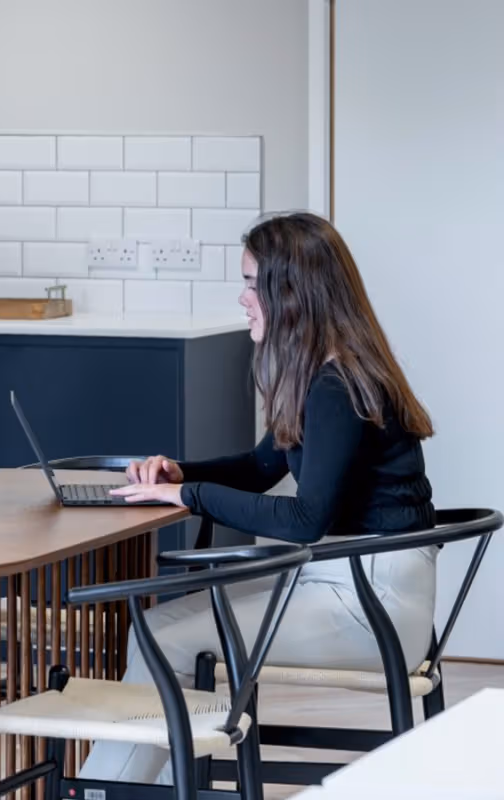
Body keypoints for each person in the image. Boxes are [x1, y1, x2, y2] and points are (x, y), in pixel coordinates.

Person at [79, 211, 437, 784]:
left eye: (252, 283)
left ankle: (105, 792)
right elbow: (260, 467)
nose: (243, 298)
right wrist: (177, 473)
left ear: (291, 293)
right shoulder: (328, 372)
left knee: (159, 638)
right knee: (158, 628)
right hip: (355, 584)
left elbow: (304, 520)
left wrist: (189, 494)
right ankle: (148, 791)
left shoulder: (335, 386)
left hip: (369, 605)